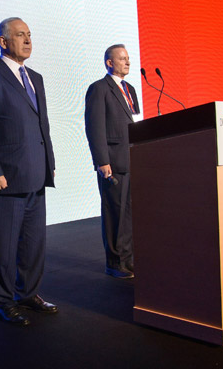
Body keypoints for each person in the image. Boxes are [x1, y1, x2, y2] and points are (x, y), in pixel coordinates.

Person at [0, 17, 57, 326]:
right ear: (3, 42)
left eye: (30, 34)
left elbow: (40, 126)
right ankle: (4, 302)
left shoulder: (36, 77)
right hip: (4, 179)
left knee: (34, 244)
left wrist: (49, 165)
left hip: (36, 175)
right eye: (20, 35)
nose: (28, 40)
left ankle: (28, 293)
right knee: (5, 248)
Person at [84, 44, 139, 279]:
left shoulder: (130, 89)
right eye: (122, 58)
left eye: (128, 58)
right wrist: (101, 160)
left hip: (133, 158)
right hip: (113, 161)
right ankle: (115, 262)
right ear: (109, 62)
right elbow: (94, 127)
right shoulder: (99, 89)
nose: (127, 62)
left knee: (129, 213)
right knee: (114, 212)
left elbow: (135, 122)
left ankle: (129, 259)